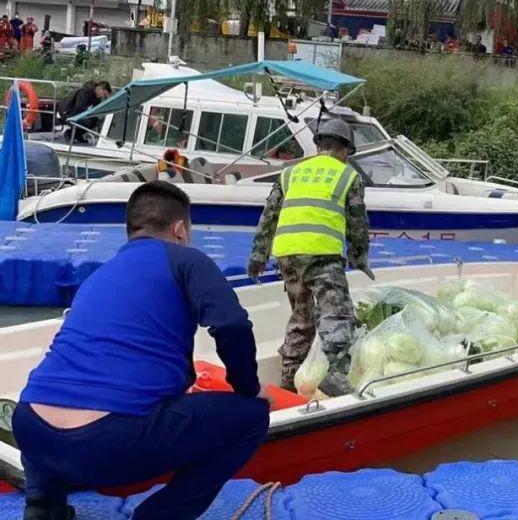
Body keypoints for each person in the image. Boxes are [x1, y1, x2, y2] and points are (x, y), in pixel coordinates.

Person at [14, 181, 270, 520]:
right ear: (180, 229)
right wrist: (249, 389)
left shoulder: (100, 275)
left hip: (31, 431)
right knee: (251, 416)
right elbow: (231, 325)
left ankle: (43, 506)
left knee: (62, 387)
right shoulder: (187, 260)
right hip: (104, 444)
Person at [248, 118, 372, 397]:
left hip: (287, 254)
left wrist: (258, 254)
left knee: (301, 317)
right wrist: (359, 257)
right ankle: (336, 375)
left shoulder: (291, 173)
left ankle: (289, 379)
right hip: (322, 253)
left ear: (318, 146)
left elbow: (269, 216)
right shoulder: (348, 175)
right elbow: (357, 224)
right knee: (337, 315)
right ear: (346, 150)